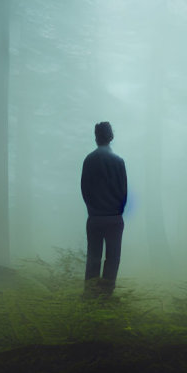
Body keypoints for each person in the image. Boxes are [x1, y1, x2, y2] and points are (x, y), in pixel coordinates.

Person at [80, 121, 127, 298]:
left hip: (95, 218)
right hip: (114, 219)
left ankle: (90, 297)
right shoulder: (118, 161)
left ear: (96, 137)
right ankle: (106, 298)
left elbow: (84, 189)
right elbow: (124, 192)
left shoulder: (89, 160)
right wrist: (117, 211)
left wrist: (92, 210)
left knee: (93, 259)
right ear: (111, 137)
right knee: (112, 259)